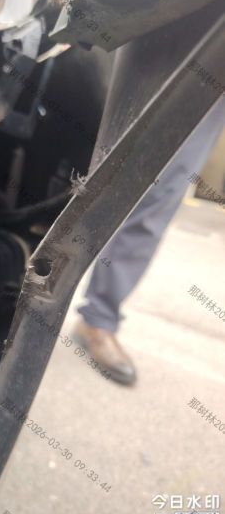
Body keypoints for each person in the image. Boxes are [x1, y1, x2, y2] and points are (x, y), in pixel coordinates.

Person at [74, 97, 225, 385]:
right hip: (139, 67)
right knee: (79, 147)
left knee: (160, 195)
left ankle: (98, 318)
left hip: (213, 86)